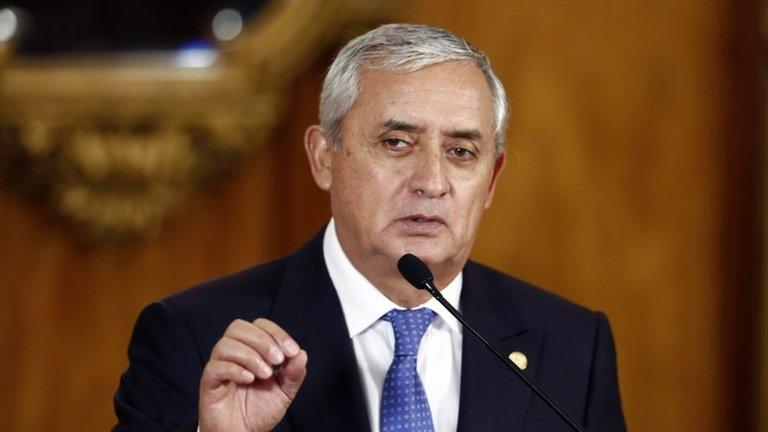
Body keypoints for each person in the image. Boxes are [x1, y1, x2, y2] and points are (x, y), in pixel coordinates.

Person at [113, 23, 626, 432]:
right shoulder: (195, 338)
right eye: (396, 144)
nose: (432, 182)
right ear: (323, 158)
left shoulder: (571, 347)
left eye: (461, 152)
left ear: (490, 180)